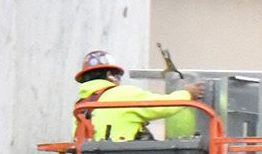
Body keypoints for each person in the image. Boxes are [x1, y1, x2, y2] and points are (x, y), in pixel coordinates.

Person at [72, 49, 201, 141]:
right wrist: (187, 93)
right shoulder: (123, 94)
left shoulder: (81, 106)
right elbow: (162, 106)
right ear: (109, 75)